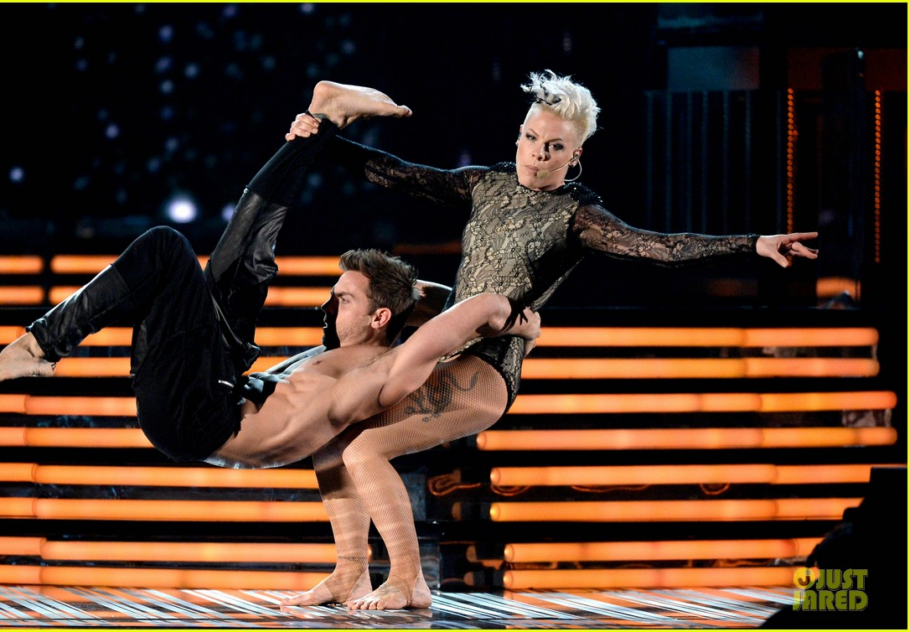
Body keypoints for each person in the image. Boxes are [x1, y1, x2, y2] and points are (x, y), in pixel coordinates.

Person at [280, 74, 820, 610]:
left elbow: (659, 248)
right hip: (447, 352)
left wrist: (753, 243)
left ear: (575, 155)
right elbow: (399, 174)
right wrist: (320, 137)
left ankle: (407, 579)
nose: (538, 154)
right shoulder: (486, 184)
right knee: (332, 434)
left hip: (487, 372)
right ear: (519, 135)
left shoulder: (577, 216)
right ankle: (349, 573)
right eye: (531, 138)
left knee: (366, 448)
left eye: (554, 147)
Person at [0, 103, 539, 472]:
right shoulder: (339, 355)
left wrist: (504, 315)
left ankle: (41, 345)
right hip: (220, 383)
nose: (326, 306)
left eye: (342, 298)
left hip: (192, 415)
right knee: (248, 267)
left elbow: (445, 328)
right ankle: (322, 118)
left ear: (379, 318)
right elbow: (424, 302)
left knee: (166, 248)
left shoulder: (372, 376)